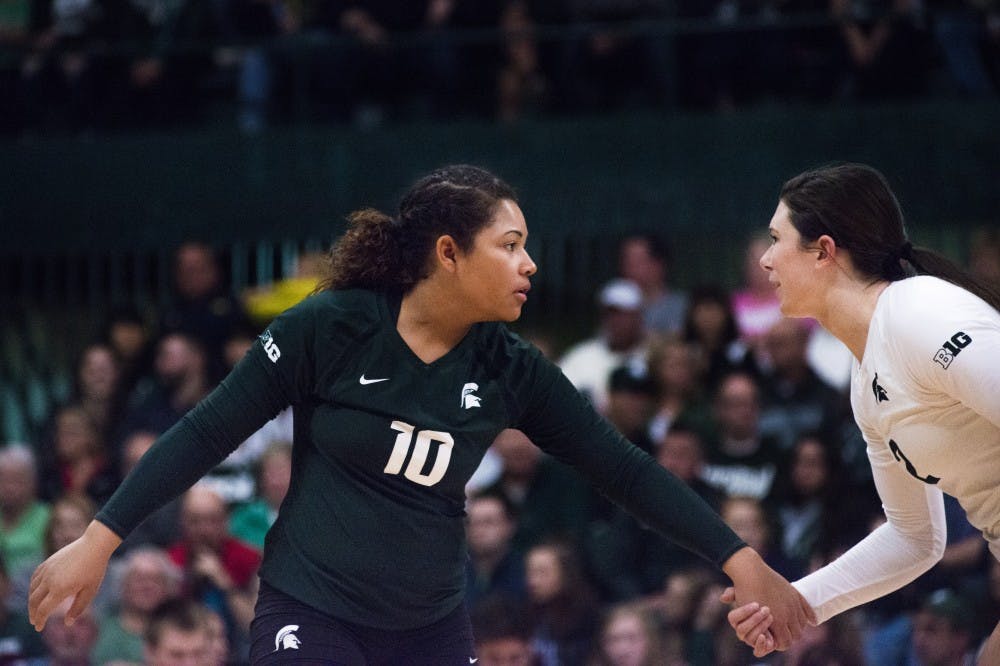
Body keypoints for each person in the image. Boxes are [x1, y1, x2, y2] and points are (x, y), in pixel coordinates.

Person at [29, 165, 813, 662]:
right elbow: (206, 431)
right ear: (447, 253)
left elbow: (625, 470)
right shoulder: (331, 326)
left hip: (431, 630)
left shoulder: (511, 369)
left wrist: (741, 560)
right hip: (313, 610)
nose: (530, 264)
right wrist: (101, 539)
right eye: (510, 245)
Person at [724, 162, 1000, 661]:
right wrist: (798, 602)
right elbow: (915, 538)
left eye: (775, 239)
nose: (764, 260)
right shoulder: (865, 377)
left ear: (824, 251)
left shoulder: (917, 314)